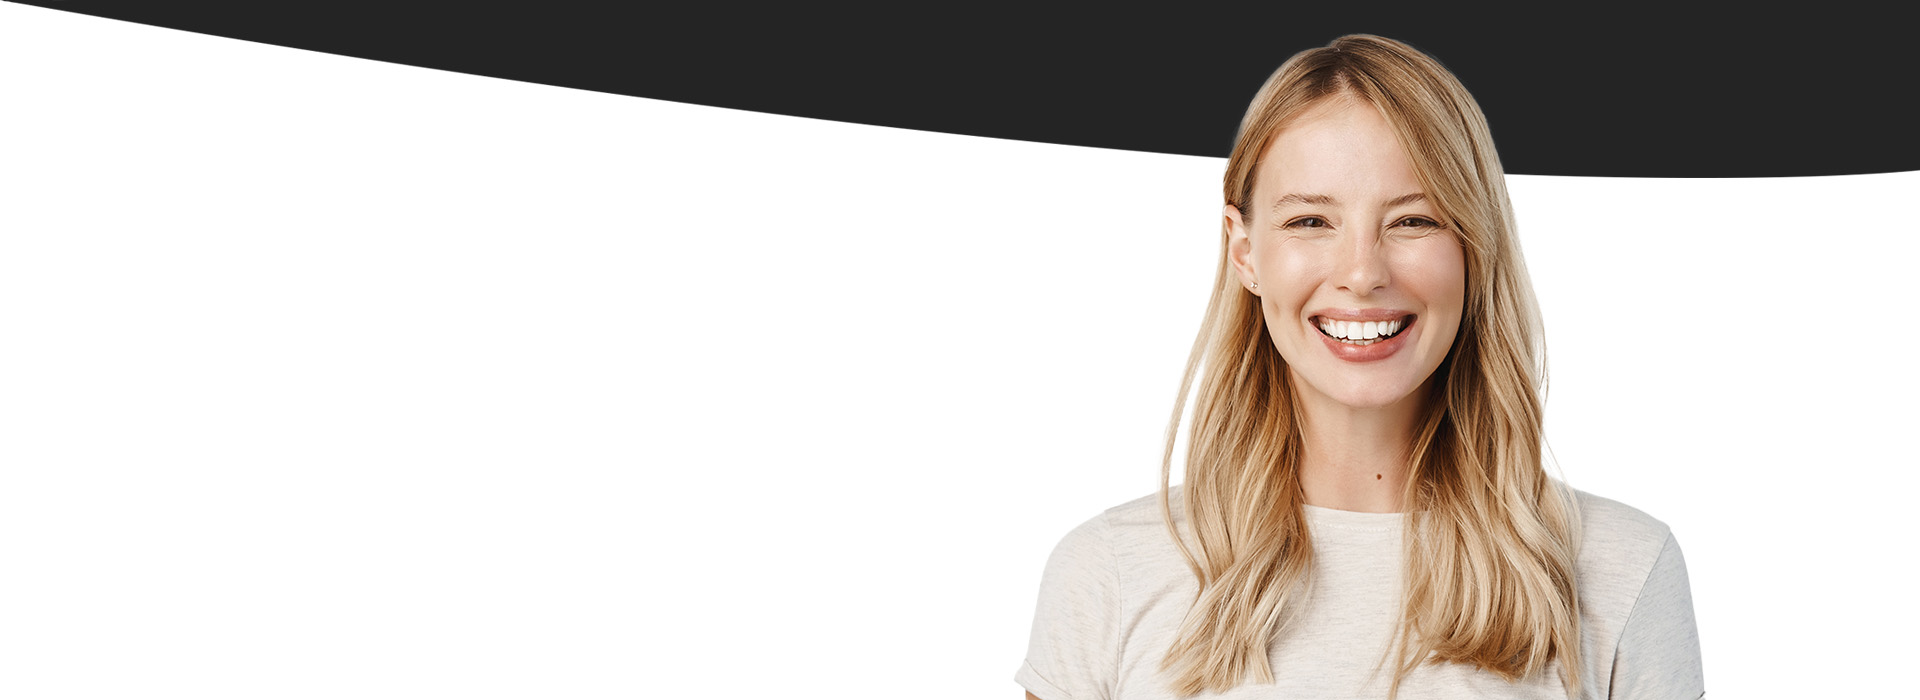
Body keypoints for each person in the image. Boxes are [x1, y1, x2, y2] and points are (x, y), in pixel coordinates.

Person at [1014, 35, 1703, 700]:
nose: (1363, 273)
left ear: (1475, 244)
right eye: (1311, 221)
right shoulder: (1105, 574)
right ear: (1245, 251)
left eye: (1414, 221)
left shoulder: (1621, 573)